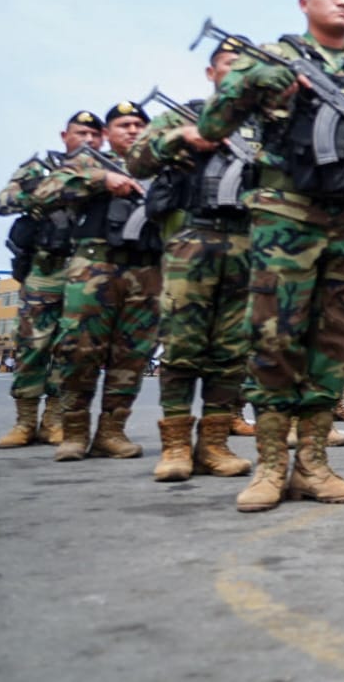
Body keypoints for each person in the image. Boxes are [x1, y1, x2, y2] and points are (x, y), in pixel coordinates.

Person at [200, 0, 344, 512]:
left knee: (334, 344)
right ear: (305, 3)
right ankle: (269, 466)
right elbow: (214, 127)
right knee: (274, 339)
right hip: (287, 214)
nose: (343, 1)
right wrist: (257, 82)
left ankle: (313, 464)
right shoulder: (272, 60)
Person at [124, 37, 260, 480]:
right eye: (228, 63)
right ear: (211, 73)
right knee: (183, 344)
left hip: (249, 242)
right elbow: (136, 159)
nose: (236, 71)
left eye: (246, 65)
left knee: (233, 349)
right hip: (192, 238)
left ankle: (215, 444)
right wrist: (182, 138)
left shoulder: (268, 123)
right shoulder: (183, 114)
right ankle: (177, 446)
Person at [32, 101, 163, 460]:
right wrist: (101, 180)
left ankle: (111, 432)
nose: (133, 130)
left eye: (139, 124)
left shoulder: (161, 166)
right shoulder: (84, 163)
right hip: (94, 267)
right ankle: (74, 432)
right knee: (79, 349)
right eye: (123, 125)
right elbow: (43, 192)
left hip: (148, 271)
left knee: (133, 355)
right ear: (107, 134)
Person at [0, 110, 103, 448]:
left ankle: (53, 419)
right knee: (33, 346)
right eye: (81, 132)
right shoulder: (40, 168)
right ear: (64, 135)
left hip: (86, 272)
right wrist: (49, 191)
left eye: (95, 134)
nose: (88, 140)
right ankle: (24, 422)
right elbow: (3, 202)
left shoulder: (106, 170)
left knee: (71, 349)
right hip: (44, 270)